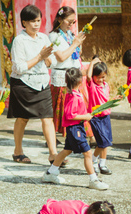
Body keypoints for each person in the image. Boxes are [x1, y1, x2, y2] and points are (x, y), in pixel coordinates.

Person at [42, 68, 108, 190]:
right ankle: (93, 180)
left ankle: (50, 173)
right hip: (75, 129)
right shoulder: (74, 96)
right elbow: (69, 115)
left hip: (75, 128)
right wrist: (86, 116)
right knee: (88, 153)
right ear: (79, 81)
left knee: (66, 151)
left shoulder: (73, 94)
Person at [8, 4, 58, 164]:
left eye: (38, 20)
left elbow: (51, 63)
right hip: (24, 83)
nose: (36, 24)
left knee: (48, 118)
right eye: (32, 21)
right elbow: (19, 67)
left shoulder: (44, 37)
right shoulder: (19, 40)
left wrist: (47, 58)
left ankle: (53, 154)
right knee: (23, 118)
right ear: (24, 22)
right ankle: (18, 152)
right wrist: (39, 56)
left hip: (42, 82)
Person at [49, 6, 86, 138]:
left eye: (73, 22)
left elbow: (76, 53)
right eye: (69, 21)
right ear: (60, 19)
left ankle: (74, 134)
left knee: (76, 106)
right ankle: (55, 136)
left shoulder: (70, 34)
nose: (71, 24)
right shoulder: (54, 36)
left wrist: (78, 43)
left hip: (74, 75)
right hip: (62, 76)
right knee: (63, 109)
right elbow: (61, 57)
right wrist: (74, 44)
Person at [87, 56, 115, 175]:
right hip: (96, 118)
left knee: (106, 142)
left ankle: (102, 164)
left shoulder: (106, 85)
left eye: (103, 77)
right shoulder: (92, 86)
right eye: (97, 77)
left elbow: (105, 100)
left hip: (105, 116)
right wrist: (92, 63)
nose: (100, 79)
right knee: (102, 142)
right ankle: (93, 160)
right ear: (93, 76)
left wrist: (115, 99)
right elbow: (88, 77)